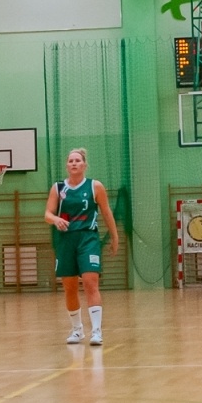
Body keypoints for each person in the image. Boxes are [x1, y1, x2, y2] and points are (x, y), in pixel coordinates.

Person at [43, 148, 122, 347]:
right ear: (67, 165)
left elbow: (106, 212)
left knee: (90, 282)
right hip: (66, 240)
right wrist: (55, 219)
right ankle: (77, 330)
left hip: (88, 238)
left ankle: (96, 331)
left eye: (78, 160)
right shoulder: (58, 188)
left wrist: (114, 236)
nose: (74, 163)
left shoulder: (95, 186)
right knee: (69, 287)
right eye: (70, 161)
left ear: (85, 164)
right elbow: (47, 214)